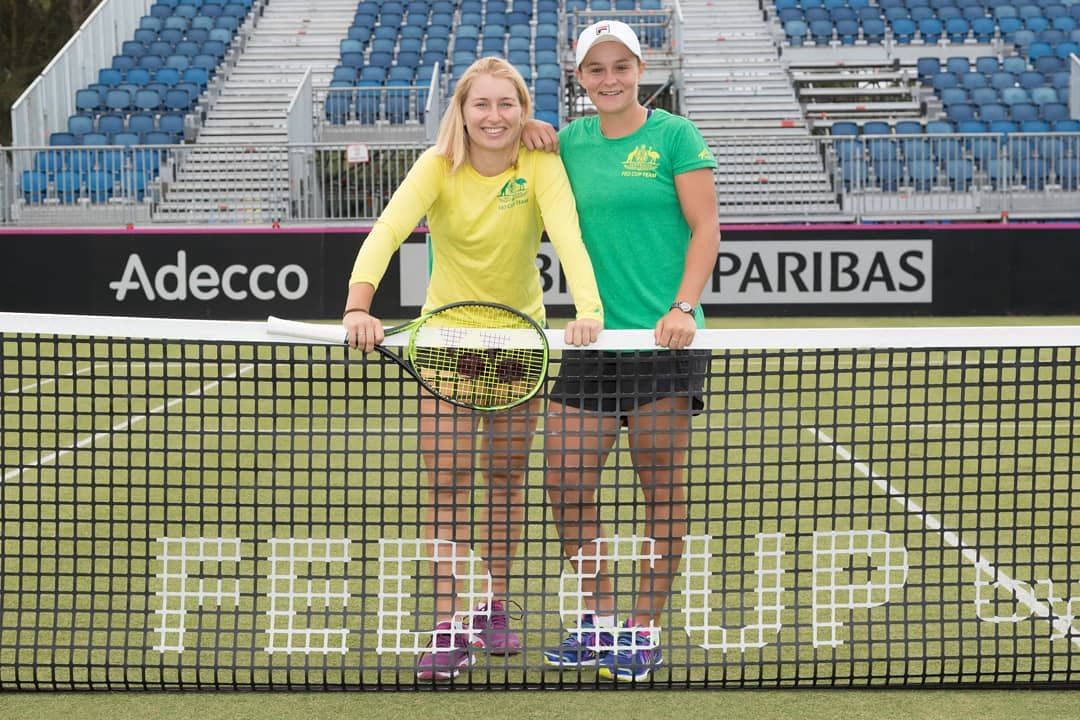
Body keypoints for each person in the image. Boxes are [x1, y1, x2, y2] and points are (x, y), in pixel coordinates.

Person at [342, 57, 604, 681]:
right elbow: (387, 229)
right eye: (481, 104)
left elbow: (569, 236)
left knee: (506, 481)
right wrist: (357, 305)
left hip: (519, 349)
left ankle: (492, 606)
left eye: (506, 104)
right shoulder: (436, 166)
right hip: (447, 346)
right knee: (448, 485)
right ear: (460, 111)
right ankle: (447, 625)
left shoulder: (540, 164)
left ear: (523, 110)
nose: (494, 116)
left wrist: (588, 311)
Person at [526, 21, 720, 682]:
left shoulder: (676, 135)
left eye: (620, 66)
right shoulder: (565, 144)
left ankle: (642, 628)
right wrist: (529, 129)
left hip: (662, 342)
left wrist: (682, 308)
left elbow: (706, 228)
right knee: (565, 483)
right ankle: (598, 618)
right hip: (593, 342)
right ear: (579, 77)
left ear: (641, 68)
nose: (608, 79)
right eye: (595, 69)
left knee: (659, 488)